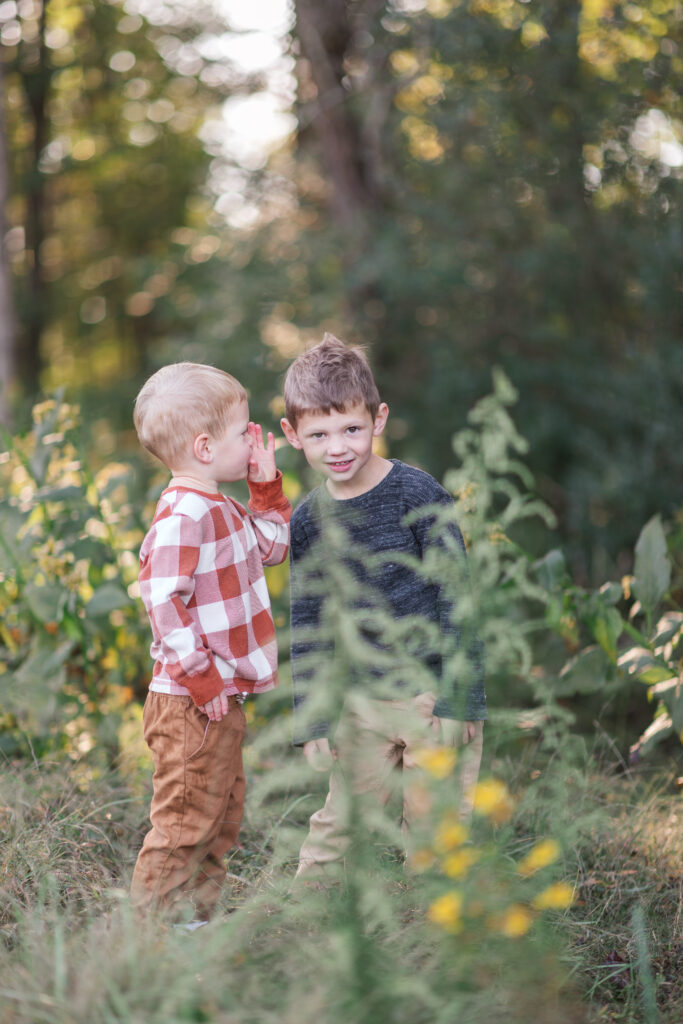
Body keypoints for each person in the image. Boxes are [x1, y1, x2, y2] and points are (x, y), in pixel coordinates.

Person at [280, 334, 486, 878]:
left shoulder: (418, 495)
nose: (338, 446)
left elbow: (456, 597)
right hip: (359, 703)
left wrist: (460, 697)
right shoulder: (307, 522)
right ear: (293, 436)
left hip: (430, 695)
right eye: (319, 434)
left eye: (352, 428)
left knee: (436, 828)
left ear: (379, 418)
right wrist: (314, 716)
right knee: (341, 821)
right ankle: (302, 920)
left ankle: (435, 932)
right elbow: (308, 622)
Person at [130, 362, 291, 924]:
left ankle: (193, 928)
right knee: (182, 825)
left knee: (219, 818)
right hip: (191, 701)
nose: (253, 438)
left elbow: (272, 548)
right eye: (243, 431)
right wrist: (200, 675)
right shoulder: (182, 515)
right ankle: (146, 943)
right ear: (203, 446)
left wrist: (265, 486)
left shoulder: (222, 507)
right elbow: (160, 600)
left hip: (220, 702)